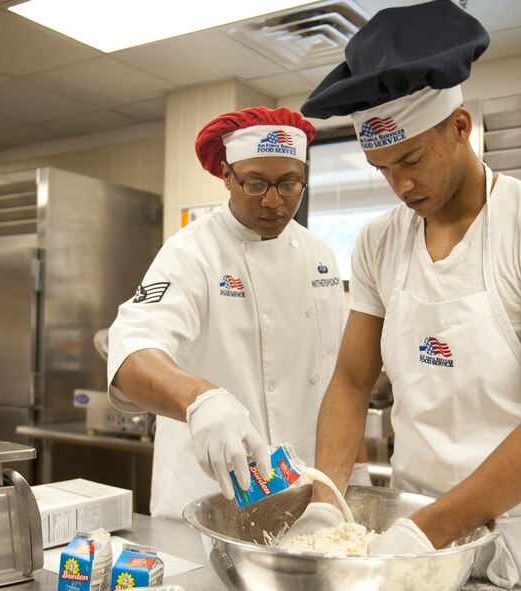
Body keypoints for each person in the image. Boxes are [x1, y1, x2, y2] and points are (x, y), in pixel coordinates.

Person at [285, 1, 521, 589]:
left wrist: (426, 532)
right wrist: (326, 498)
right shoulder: (380, 242)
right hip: (412, 534)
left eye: (410, 159)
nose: (400, 185)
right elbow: (352, 380)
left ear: (460, 127)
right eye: (381, 168)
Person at [107, 107, 369, 520]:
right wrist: (200, 400)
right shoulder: (191, 252)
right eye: (255, 183)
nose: (273, 201)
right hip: (209, 503)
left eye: (289, 184)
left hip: (306, 500)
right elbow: (130, 353)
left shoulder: (320, 255)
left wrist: (359, 469)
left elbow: (343, 376)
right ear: (227, 176)